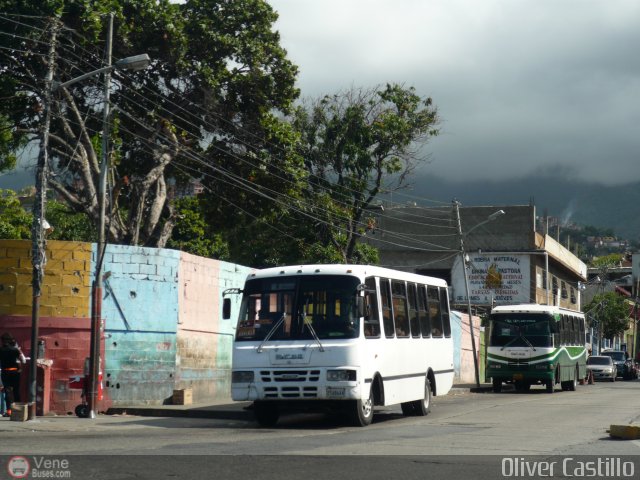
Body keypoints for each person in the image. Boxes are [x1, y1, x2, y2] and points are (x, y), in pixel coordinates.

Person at [0, 333, 26, 416]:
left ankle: (9, 411)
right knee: (16, 391)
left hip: (5, 372)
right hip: (15, 372)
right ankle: (18, 411)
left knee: (7, 391)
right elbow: (24, 360)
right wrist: (19, 351)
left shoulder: (0, 350)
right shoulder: (15, 350)